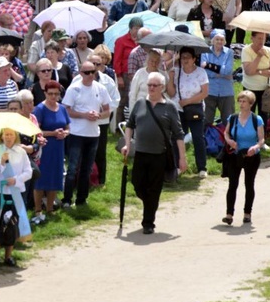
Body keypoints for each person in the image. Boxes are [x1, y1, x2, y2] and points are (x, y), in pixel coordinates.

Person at [123, 72, 187, 234]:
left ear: (162, 88)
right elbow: (130, 125)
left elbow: (179, 134)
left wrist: (182, 158)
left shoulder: (170, 107)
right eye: (149, 85)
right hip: (141, 153)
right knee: (137, 184)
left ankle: (148, 222)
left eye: (154, 85)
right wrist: (127, 145)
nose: (150, 88)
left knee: (154, 188)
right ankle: (149, 203)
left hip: (159, 154)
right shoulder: (139, 104)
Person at [62, 61, 111, 207]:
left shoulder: (101, 88)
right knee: (72, 168)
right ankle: (67, 199)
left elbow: (108, 109)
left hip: (93, 134)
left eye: (92, 72)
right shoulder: (74, 88)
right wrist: (84, 115)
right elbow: (66, 110)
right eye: (86, 72)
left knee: (87, 168)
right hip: (77, 133)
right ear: (80, 73)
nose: (90, 75)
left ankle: (82, 199)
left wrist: (99, 115)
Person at [0, 127, 32, 265]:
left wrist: (16, 180)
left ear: (15, 136)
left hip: (16, 191)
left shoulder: (21, 152)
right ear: (1, 136)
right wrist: (0, 163)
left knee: (12, 223)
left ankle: (8, 256)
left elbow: (29, 172)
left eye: (11, 134)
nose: (9, 137)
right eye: (6, 134)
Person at [222, 90, 264, 226]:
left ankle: (247, 213)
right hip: (235, 155)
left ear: (251, 103)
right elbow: (226, 133)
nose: (241, 103)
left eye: (244, 101)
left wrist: (255, 147)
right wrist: (229, 141)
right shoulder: (233, 118)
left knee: (249, 184)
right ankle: (229, 214)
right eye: (240, 101)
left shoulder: (256, 119)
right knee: (232, 184)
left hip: (252, 156)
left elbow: (262, 139)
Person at [166, 47, 209, 177]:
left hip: (195, 108)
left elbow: (204, 93)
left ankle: (202, 167)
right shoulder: (177, 72)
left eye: (187, 57)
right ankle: (178, 166)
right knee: (178, 137)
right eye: (183, 57)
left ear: (194, 59)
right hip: (179, 109)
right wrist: (171, 79)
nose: (185, 60)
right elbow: (171, 93)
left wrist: (188, 101)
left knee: (197, 137)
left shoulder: (200, 72)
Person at [31, 79, 69, 222]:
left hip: (58, 147)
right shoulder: (40, 109)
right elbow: (36, 130)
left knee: (55, 176)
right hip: (45, 147)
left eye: (56, 94)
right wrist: (53, 133)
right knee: (41, 179)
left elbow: (67, 127)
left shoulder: (62, 108)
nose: (53, 97)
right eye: (50, 94)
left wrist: (64, 133)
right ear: (45, 93)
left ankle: (50, 208)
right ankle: (37, 209)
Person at [242, 31, 270, 123]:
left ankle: (262, 134)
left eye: (264, 38)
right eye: (259, 38)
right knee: (248, 114)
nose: (262, 41)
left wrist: (258, 71)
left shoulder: (268, 50)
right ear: (252, 38)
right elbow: (249, 71)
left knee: (264, 115)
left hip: (265, 89)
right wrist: (259, 57)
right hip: (250, 88)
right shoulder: (246, 50)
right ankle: (249, 134)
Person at [201, 30, 235, 125]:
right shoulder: (205, 52)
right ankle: (207, 139)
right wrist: (222, 74)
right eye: (217, 39)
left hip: (226, 91)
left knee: (228, 120)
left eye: (221, 39)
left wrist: (209, 66)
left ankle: (228, 139)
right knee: (206, 120)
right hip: (210, 90)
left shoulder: (229, 52)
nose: (219, 42)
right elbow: (204, 72)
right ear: (212, 40)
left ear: (225, 41)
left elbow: (228, 70)